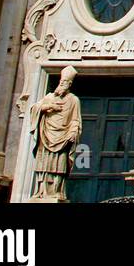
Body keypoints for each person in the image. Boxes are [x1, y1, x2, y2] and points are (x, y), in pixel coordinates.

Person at [28, 66, 83, 199]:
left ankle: (57, 191)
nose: (62, 84)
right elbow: (34, 108)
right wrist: (48, 107)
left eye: (65, 82)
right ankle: (41, 191)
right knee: (43, 165)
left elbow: (76, 120)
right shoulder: (49, 97)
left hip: (62, 139)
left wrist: (73, 132)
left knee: (59, 167)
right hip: (46, 136)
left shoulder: (73, 100)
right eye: (61, 81)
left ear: (70, 84)